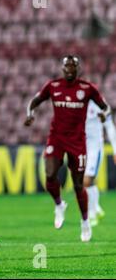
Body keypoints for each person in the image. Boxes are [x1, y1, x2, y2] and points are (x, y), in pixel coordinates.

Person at [24, 55, 111, 242]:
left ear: (78, 69)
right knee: (49, 174)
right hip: (56, 138)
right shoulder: (53, 86)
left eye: (73, 66)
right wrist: (30, 114)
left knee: (79, 184)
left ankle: (85, 221)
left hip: (78, 142)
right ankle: (59, 204)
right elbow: (35, 100)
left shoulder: (87, 89)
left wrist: (104, 115)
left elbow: (106, 107)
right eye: (67, 66)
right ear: (62, 68)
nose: (70, 69)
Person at [84, 101, 116, 226]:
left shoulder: (100, 104)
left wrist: (115, 149)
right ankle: (96, 208)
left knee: (87, 180)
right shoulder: (75, 102)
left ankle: (92, 215)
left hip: (94, 148)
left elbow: (110, 127)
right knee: (84, 181)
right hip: (80, 147)